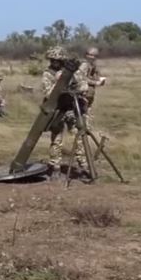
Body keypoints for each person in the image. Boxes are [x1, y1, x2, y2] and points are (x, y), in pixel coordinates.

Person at [42, 46, 90, 181]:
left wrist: (76, 87)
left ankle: (84, 166)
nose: (54, 63)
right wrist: (59, 83)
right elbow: (48, 93)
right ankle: (55, 167)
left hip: (72, 108)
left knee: (80, 138)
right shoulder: (47, 74)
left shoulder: (71, 72)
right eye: (52, 60)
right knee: (56, 140)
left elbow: (83, 85)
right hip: (57, 110)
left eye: (57, 60)